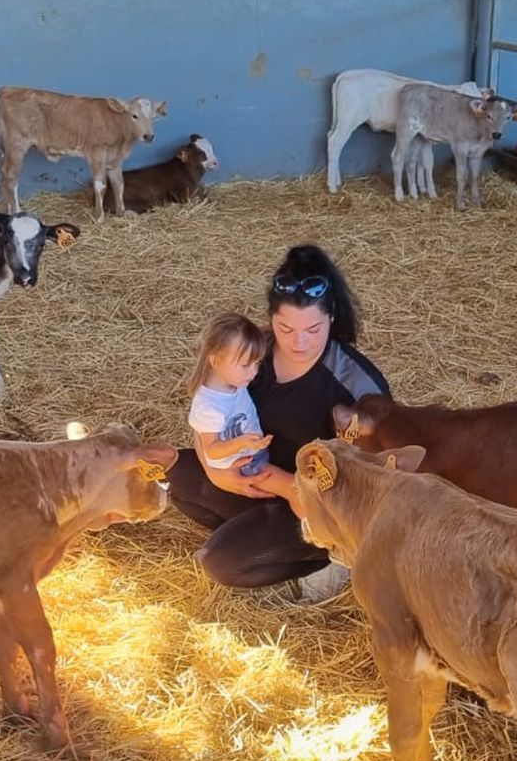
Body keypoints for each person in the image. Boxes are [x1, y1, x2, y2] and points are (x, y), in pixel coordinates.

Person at [167, 244, 390, 601]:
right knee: (174, 472)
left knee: (219, 562)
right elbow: (209, 410)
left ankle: (328, 559)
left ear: (331, 317)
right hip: (256, 475)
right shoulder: (253, 352)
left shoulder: (358, 387)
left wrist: (286, 485)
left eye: (313, 329)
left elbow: (366, 483)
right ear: (271, 318)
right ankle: (258, 535)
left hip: (313, 502)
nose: (298, 342)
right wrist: (213, 468)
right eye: (285, 327)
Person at [186, 313, 296, 500]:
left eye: (257, 363)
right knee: (294, 490)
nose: (254, 372)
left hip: (251, 449)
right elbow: (211, 449)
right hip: (243, 463)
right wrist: (243, 442)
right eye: (246, 365)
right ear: (215, 361)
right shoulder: (210, 407)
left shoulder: (233, 381)